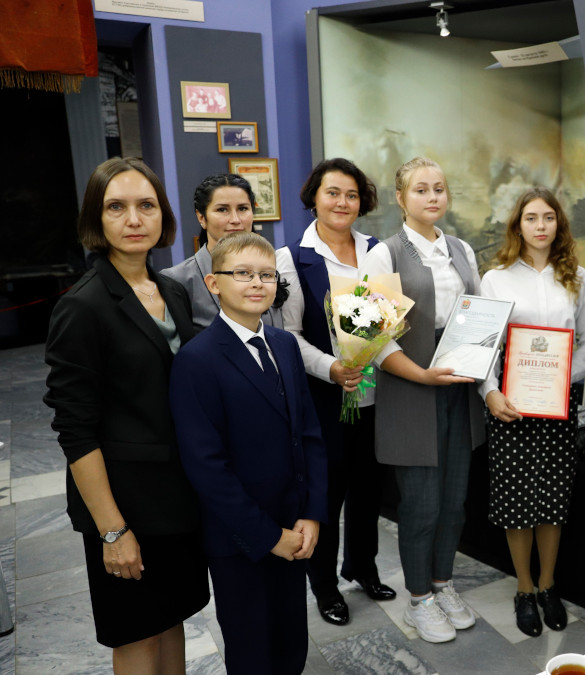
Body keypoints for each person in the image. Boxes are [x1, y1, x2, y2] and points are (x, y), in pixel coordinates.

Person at [44, 157, 209, 672]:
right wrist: (112, 531)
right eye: (116, 207)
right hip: (125, 505)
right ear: (96, 219)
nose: (134, 219)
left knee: (173, 618)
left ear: (164, 216)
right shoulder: (83, 306)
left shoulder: (172, 291)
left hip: (177, 497)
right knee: (137, 634)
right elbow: (76, 431)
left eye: (146, 206)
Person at [170, 233, 325, 674]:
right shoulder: (197, 359)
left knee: (291, 641)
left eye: (266, 275)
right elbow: (206, 466)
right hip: (241, 538)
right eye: (242, 273)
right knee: (252, 647)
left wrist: (312, 513)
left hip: (294, 524)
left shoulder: (284, 344)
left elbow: (309, 434)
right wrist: (268, 536)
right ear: (214, 284)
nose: (257, 283)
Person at [363, 157, 485, 643]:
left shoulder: (462, 249)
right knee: (420, 505)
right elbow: (370, 337)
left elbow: (480, 315)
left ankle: (442, 585)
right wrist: (421, 375)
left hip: (459, 388)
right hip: (410, 389)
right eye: (420, 189)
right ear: (400, 198)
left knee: (454, 502)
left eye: (439, 188)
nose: (432, 197)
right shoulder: (384, 255)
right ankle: (418, 600)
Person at [276, 158, 394, 627]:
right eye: (333, 193)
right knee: (324, 497)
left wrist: (373, 351)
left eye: (351, 194)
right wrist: (332, 368)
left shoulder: (376, 251)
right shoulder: (292, 257)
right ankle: (324, 586)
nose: (342, 202)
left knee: (368, 492)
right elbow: (289, 335)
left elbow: (386, 322)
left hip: (375, 395)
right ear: (314, 198)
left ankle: (363, 568)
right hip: (323, 399)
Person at [479, 188, 585, 638]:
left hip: (557, 405)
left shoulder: (579, 278)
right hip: (510, 405)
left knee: (552, 499)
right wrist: (490, 393)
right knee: (516, 503)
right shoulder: (496, 279)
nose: (541, 226)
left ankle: (548, 585)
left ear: (559, 223)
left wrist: (562, 378)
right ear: (518, 225)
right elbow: (486, 346)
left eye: (549, 217)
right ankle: (524, 589)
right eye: (531, 218)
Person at [163, 174, 285, 333]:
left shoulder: (269, 270)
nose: (235, 219)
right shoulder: (177, 280)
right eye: (222, 209)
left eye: (242, 208)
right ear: (201, 217)